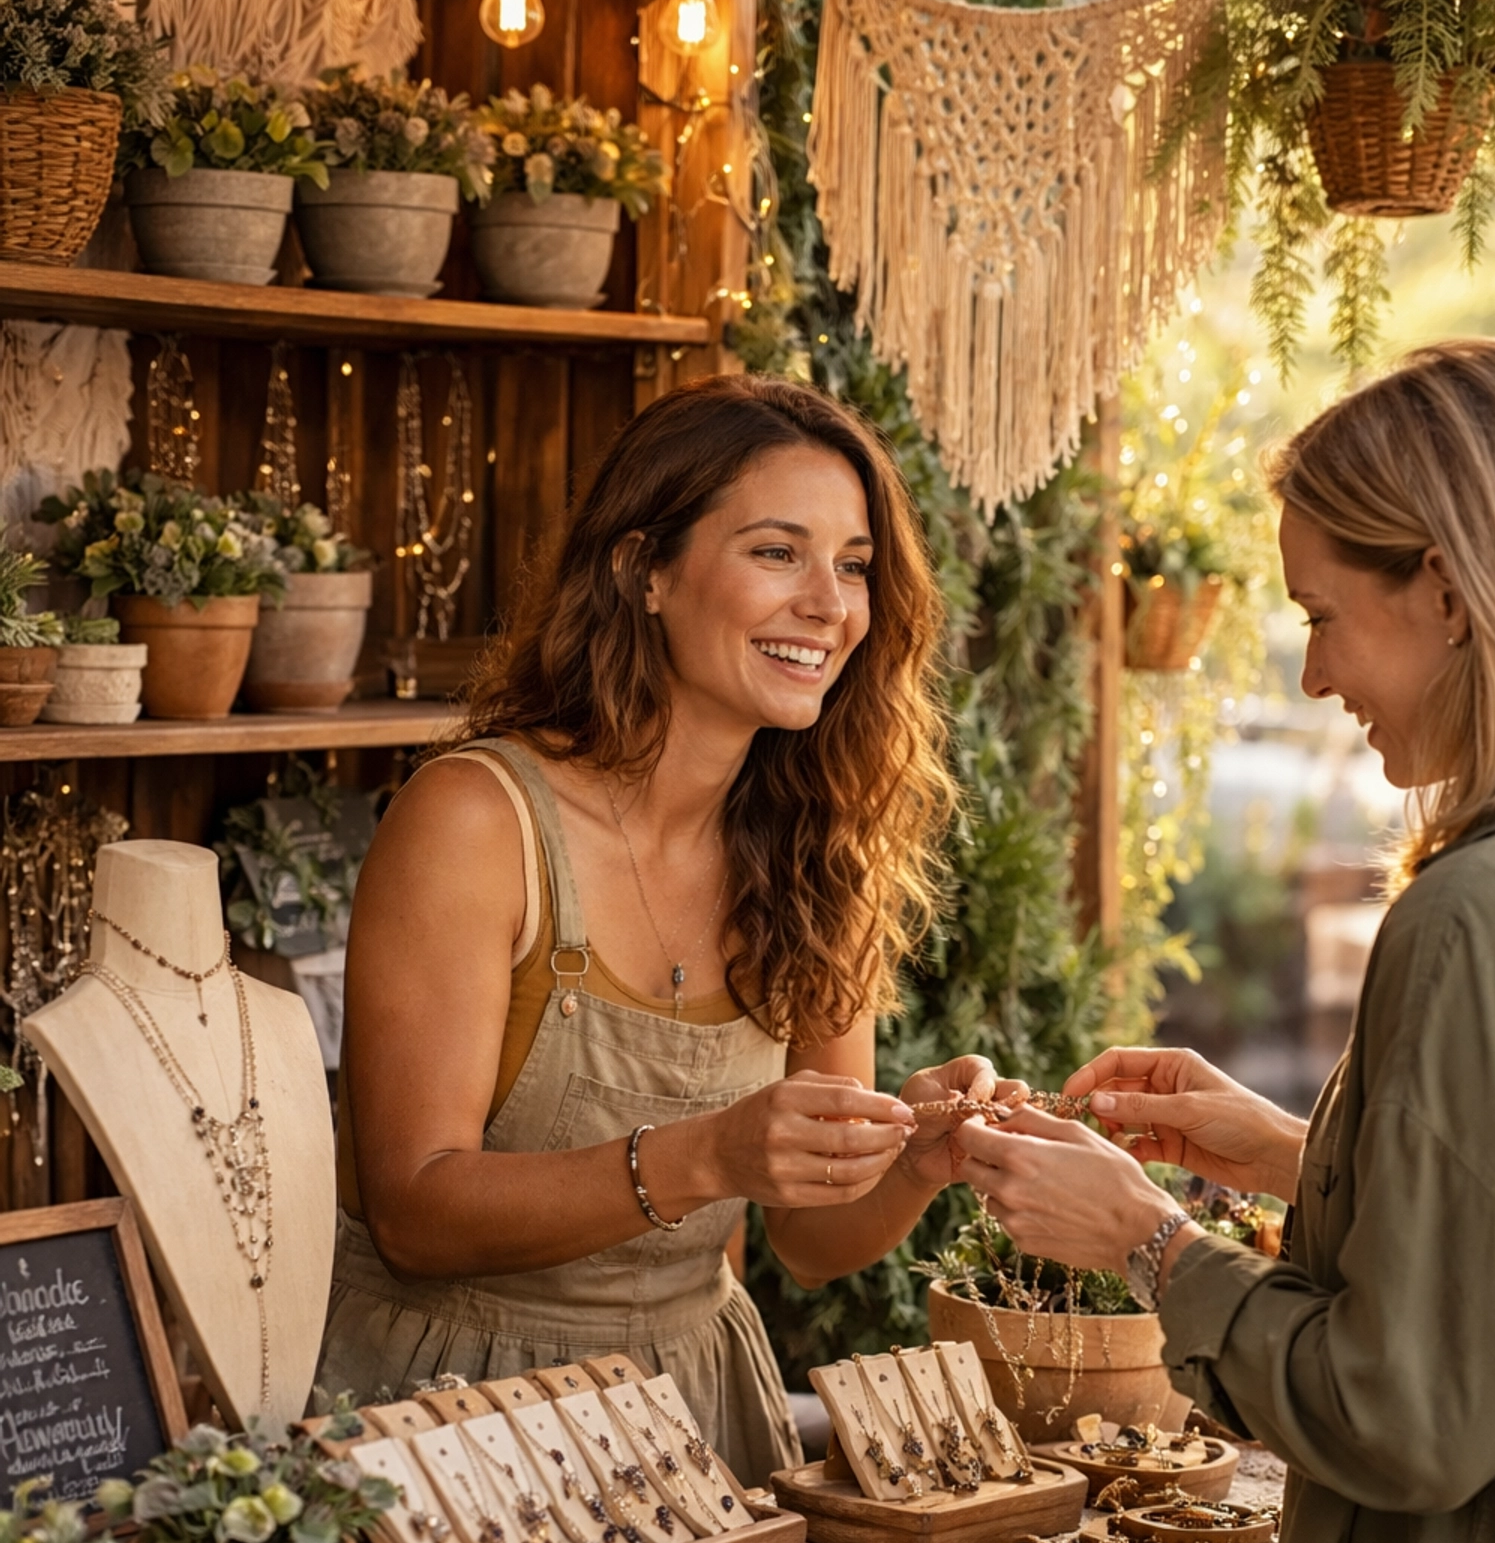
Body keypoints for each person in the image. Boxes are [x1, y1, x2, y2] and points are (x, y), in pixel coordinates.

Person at [949, 339, 1495, 1543]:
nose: (1311, 668)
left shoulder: (1472, 922)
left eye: (1325, 613)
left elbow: (1410, 1414)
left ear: (1443, 586)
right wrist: (1295, 1149)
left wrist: (1146, 1237)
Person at [321, 373, 999, 1484]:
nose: (830, 605)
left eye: (855, 565)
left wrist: (910, 1163)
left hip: (697, 1421)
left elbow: (811, 1243)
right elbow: (415, 1211)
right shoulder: (477, 821)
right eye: (778, 553)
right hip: (446, 1423)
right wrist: (704, 1156)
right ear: (644, 569)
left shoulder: (821, 847)